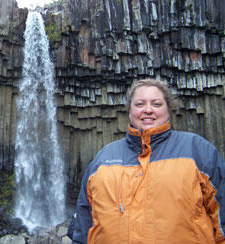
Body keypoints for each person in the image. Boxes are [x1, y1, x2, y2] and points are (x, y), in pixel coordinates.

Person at [71, 79, 225, 244]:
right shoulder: (103, 158)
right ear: (129, 111)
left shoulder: (197, 150)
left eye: (157, 104)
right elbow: (83, 222)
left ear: (168, 109)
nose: (148, 110)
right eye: (139, 104)